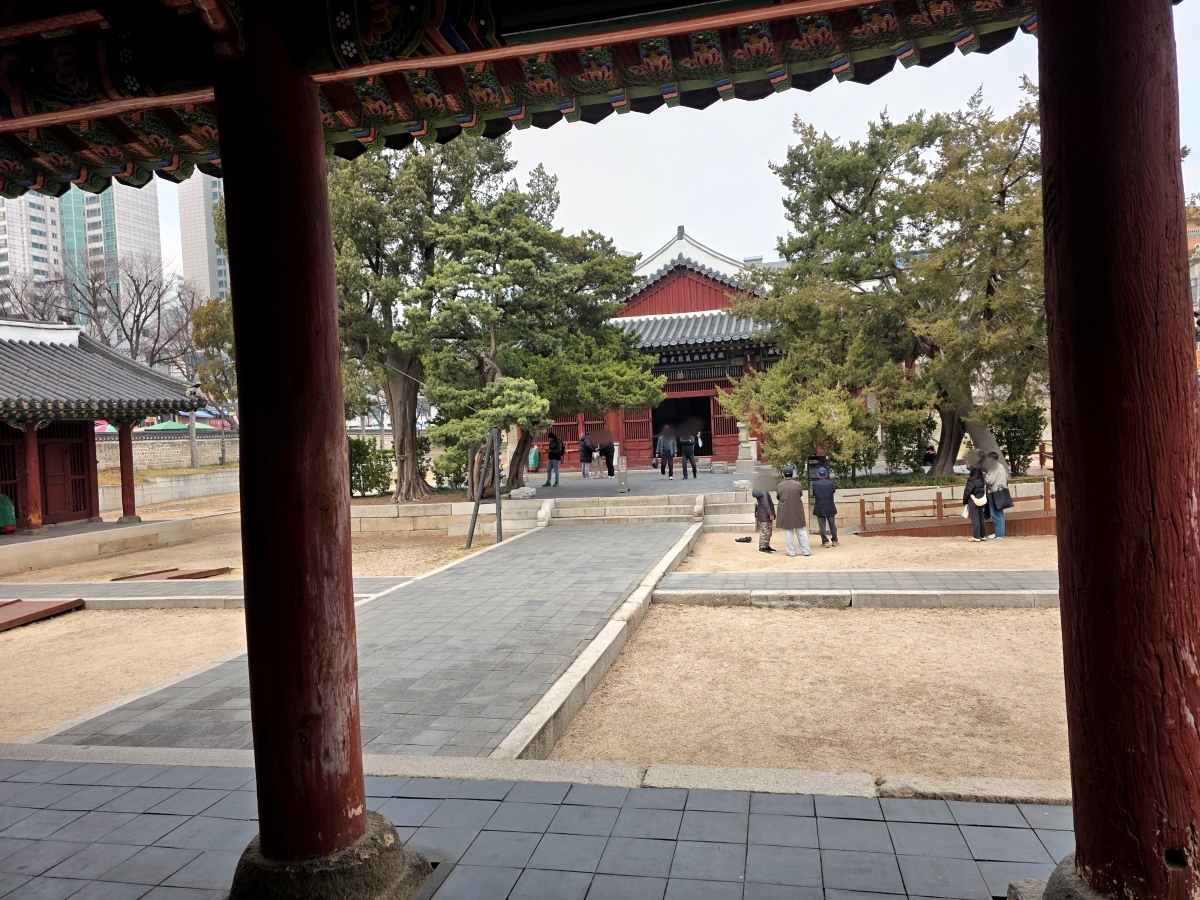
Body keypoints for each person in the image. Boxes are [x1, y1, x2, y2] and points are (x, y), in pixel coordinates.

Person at [775, 466, 810, 557]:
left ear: (783, 474)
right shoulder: (798, 484)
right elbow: (800, 494)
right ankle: (806, 551)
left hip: (785, 510)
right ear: (792, 474)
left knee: (788, 531)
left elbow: (779, 497)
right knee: (801, 530)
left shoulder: (780, 485)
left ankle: (791, 552)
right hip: (797, 509)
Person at [984, 451, 1010, 539]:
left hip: (994, 492)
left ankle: (999, 534)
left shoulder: (993, 468)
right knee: (1000, 513)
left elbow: (989, 481)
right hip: (1002, 491)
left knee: (995, 514)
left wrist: (985, 476)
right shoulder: (1001, 466)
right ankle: (999, 533)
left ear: (990, 458)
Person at [812, 467, 838, 547]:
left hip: (819, 507)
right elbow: (833, 491)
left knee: (822, 526)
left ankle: (825, 541)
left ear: (818, 474)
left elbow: (814, 493)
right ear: (826, 474)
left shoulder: (815, 484)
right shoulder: (831, 483)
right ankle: (834, 540)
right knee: (832, 525)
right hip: (830, 506)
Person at [963, 463, 988, 541]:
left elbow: (967, 492)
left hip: (973, 500)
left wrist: (965, 501)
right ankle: (982, 535)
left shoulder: (972, 480)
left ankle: (976, 536)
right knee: (981, 518)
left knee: (975, 518)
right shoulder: (982, 480)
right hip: (981, 500)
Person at [753, 484, 776, 553]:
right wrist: (771, 514)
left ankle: (766, 546)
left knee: (767, 531)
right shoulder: (763, 492)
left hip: (762, 513)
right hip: (765, 514)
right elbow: (766, 504)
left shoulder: (759, 491)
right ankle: (762, 547)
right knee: (765, 531)